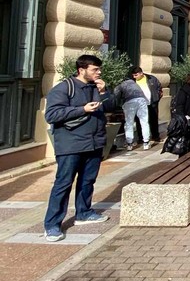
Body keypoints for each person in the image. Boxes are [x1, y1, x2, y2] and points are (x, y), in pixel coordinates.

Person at [43, 54, 115, 242]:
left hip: (94, 143)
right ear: (81, 70)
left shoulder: (95, 87)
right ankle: (52, 225)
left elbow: (112, 106)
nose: (98, 72)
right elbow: (51, 115)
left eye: (99, 69)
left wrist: (104, 91)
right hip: (71, 144)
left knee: (87, 181)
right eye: (95, 69)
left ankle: (84, 212)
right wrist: (82, 109)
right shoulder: (63, 88)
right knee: (63, 184)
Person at [113, 71, 151, 151]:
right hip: (142, 100)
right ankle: (146, 143)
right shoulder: (134, 83)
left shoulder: (120, 85)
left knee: (129, 123)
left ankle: (129, 144)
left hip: (129, 102)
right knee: (144, 122)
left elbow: (115, 96)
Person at [129, 66, 162, 143]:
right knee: (139, 122)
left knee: (153, 120)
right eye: (133, 75)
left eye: (136, 75)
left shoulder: (151, 78)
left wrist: (156, 98)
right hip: (138, 105)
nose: (134, 77)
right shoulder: (132, 81)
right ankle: (141, 138)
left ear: (141, 73)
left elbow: (159, 88)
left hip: (152, 103)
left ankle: (155, 136)